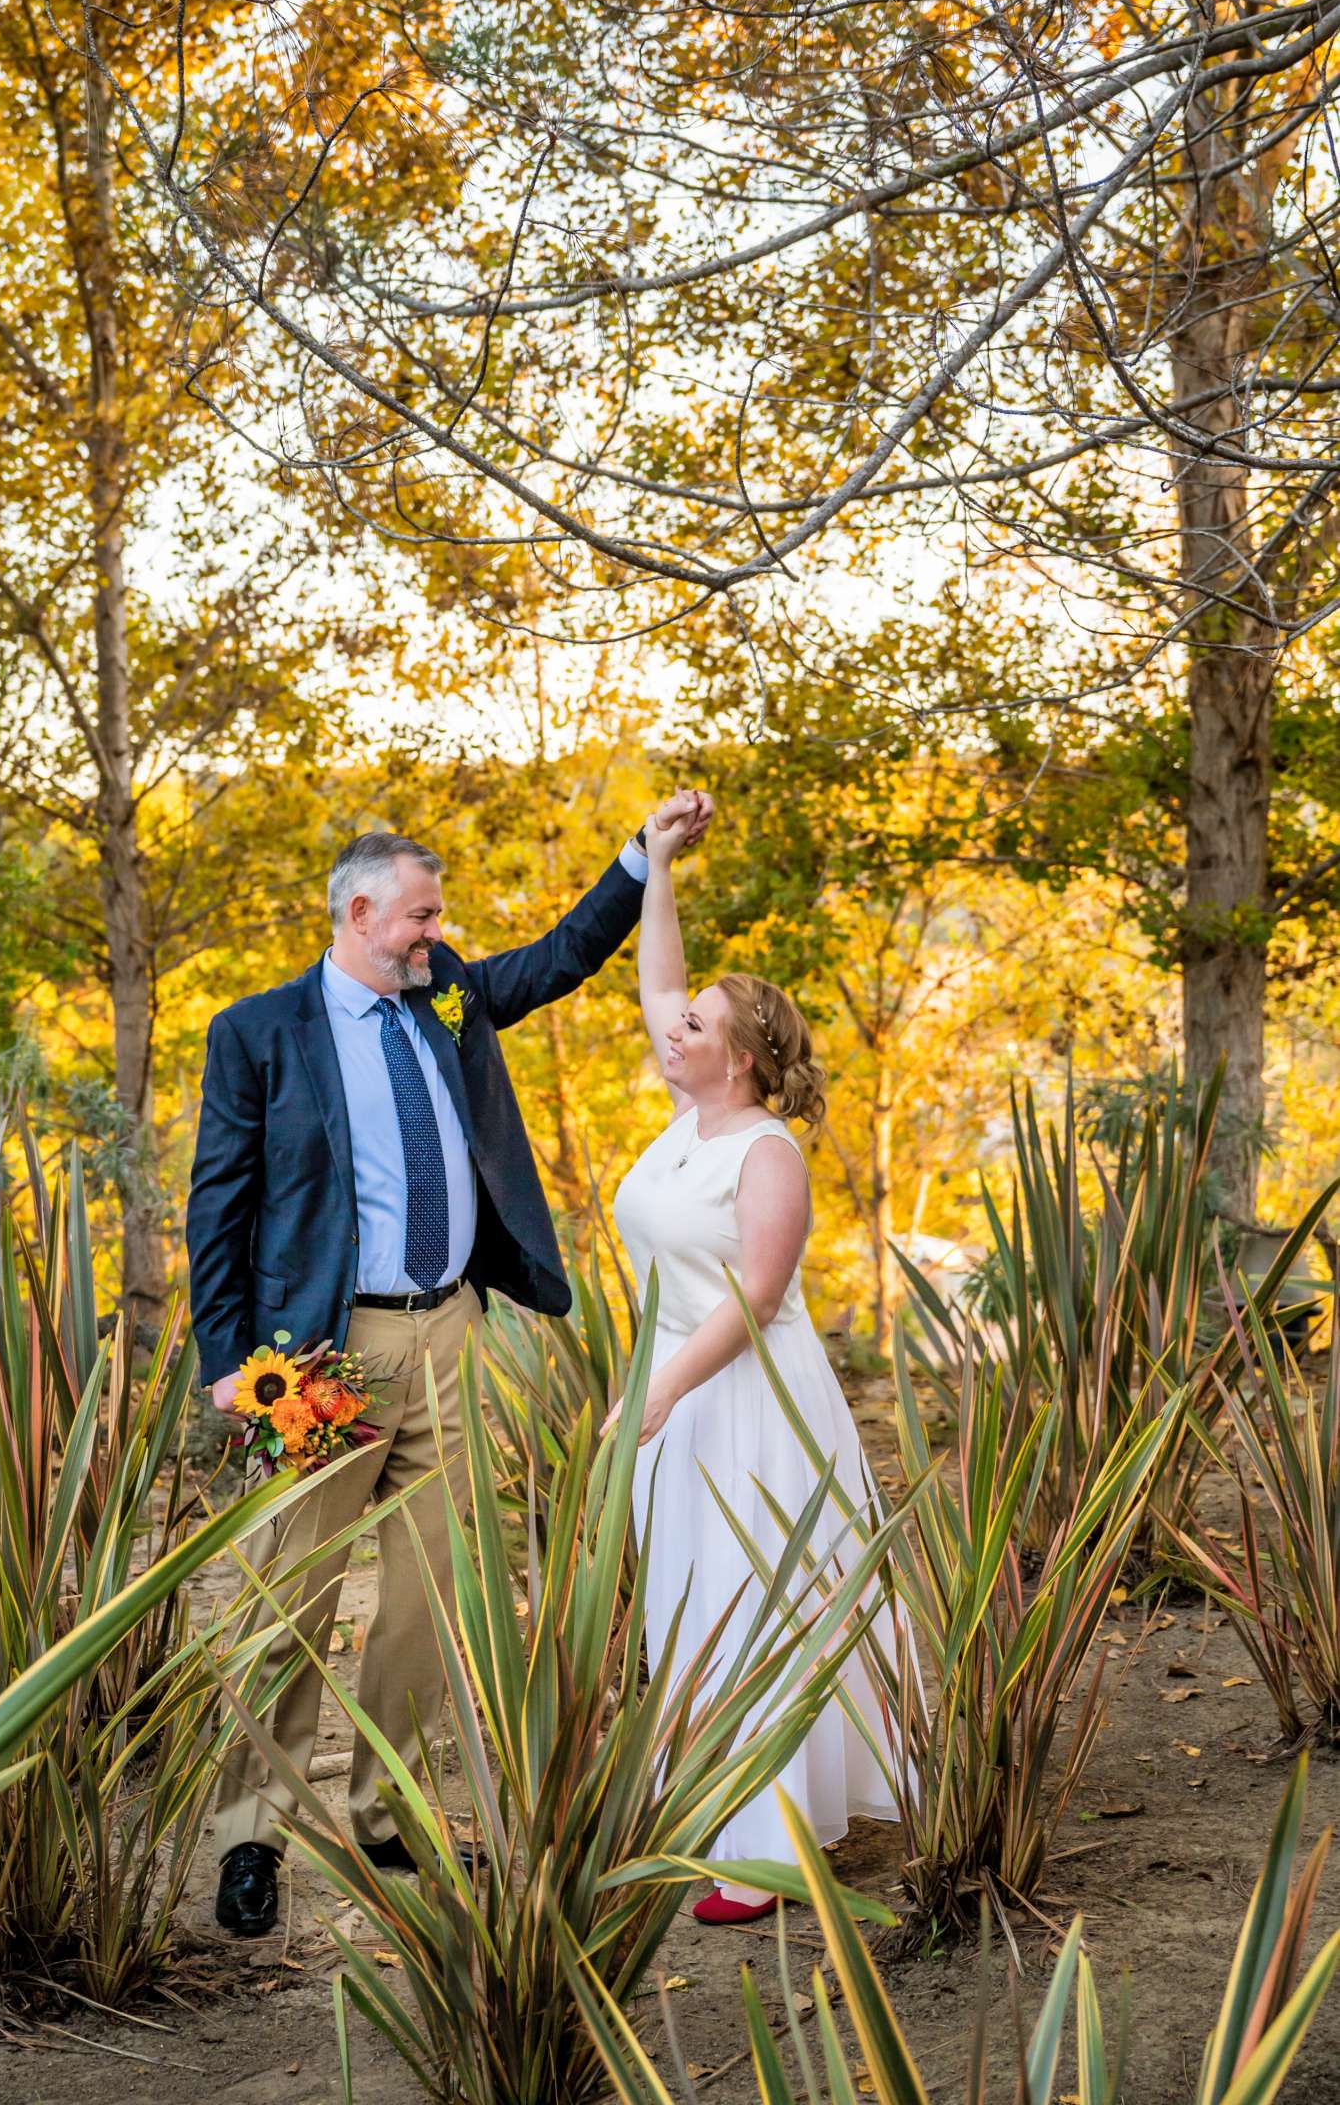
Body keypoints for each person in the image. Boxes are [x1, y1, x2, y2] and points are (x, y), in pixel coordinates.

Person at [186, 799, 712, 1937]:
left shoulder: (448, 995)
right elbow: (217, 1205)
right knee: (294, 1596)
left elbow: (561, 959)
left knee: (436, 1597)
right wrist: (230, 1364)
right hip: (316, 1356)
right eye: (422, 914)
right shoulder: (260, 1032)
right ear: (360, 912)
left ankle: (385, 1810)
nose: (439, 929)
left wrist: (642, 859)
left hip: (452, 1336)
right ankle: (249, 1836)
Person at [603, 791, 902, 1925]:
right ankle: (718, 1805)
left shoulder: (765, 1151)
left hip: (749, 1406)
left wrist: (666, 1388)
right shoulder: (690, 1120)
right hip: (674, 1398)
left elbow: (760, 1294)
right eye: (680, 1021)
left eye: (695, 1025)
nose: (671, 1028)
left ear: (733, 1060)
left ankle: (763, 1854)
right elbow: (657, 980)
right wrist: (659, 863)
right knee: (686, 1607)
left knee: (751, 1603)